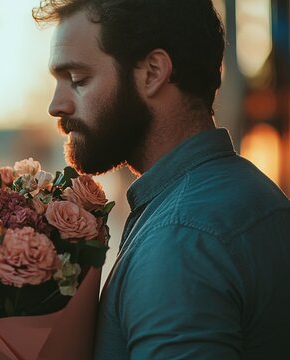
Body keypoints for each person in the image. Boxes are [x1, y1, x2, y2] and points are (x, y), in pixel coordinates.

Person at [32, 0, 290, 359]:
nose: (56, 105)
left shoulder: (181, 236)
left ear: (152, 73)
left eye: (77, 80)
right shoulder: (256, 195)